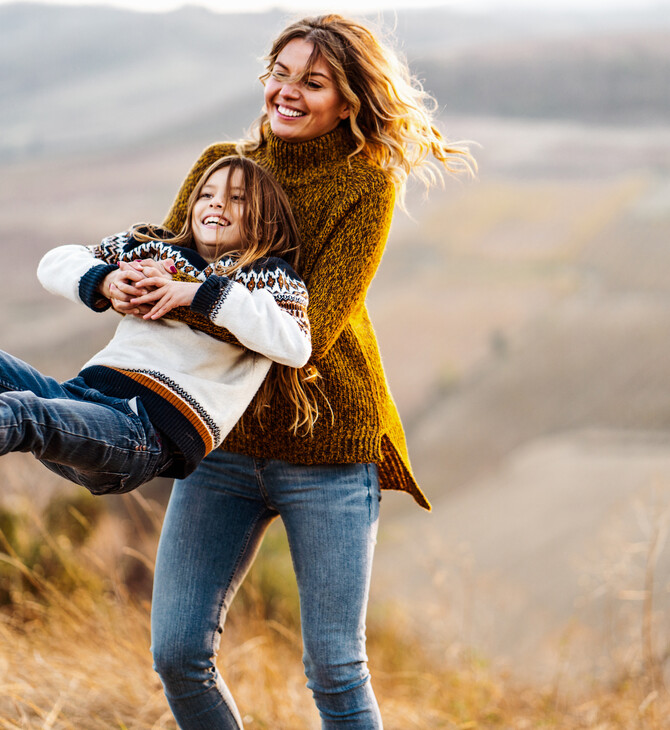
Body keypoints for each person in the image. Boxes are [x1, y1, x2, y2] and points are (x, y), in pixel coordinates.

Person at [104, 14, 475, 729]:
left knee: (335, 671)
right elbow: (175, 258)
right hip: (221, 440)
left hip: (330, 450)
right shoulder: (223, 162)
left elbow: (311, 328)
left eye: (314, 81)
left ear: (350, 100)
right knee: (179, 653)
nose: (288, 91)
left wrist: (191, 294)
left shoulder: (365, 188)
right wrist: (121, 280)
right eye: (280, 72)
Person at [0, 156, 311, 496]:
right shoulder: (153, 247)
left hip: (138, 433)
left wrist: (198, 293)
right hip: (78, 400)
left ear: (266, 219)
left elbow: (295, 344)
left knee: (23, 413)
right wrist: (108, 280)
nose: (217, 202)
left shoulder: (265, 275)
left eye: (237, 198)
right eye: (206, 195)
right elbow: (54, 262)